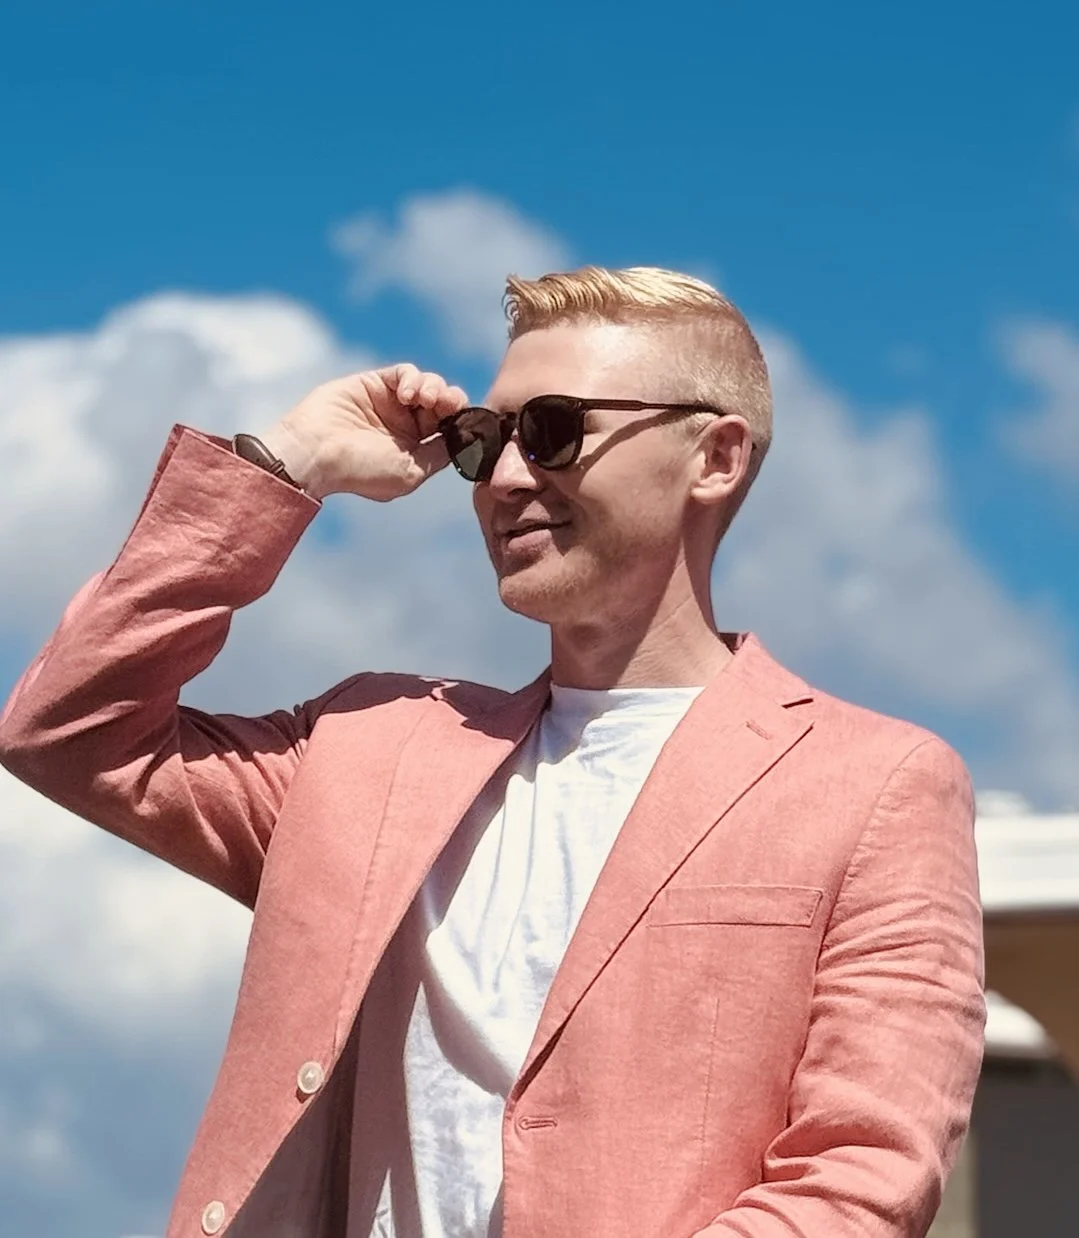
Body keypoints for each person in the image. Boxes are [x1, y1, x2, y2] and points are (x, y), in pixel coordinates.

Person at [0, 266, 985, 1238]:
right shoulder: (366, 748)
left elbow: (861, 1169)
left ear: (714, 457)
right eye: (483, 439)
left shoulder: (872, 783)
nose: (505, 477)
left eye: (553, 430)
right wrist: (290, 459)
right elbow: (69, 727)